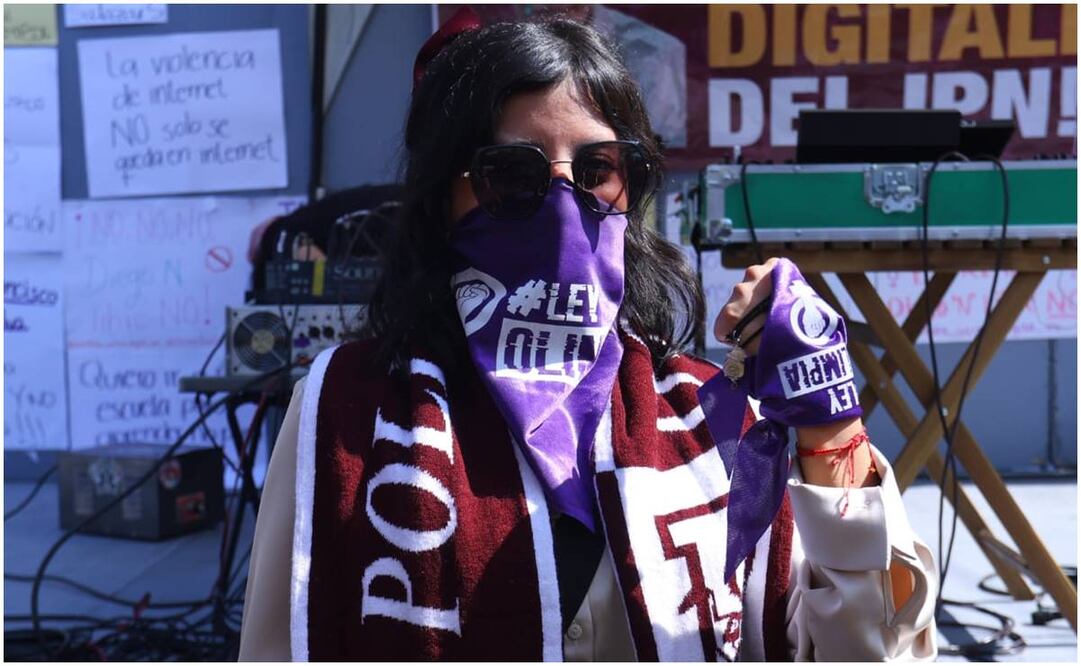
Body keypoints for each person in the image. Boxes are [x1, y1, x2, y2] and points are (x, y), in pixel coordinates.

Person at [239, 14, 937, 662]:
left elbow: (861, 650)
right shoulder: (344, 414)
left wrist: (829, 432)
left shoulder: (709, 416)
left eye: (598, 170)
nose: (562, 202)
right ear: (440, 198)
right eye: (513, 173)